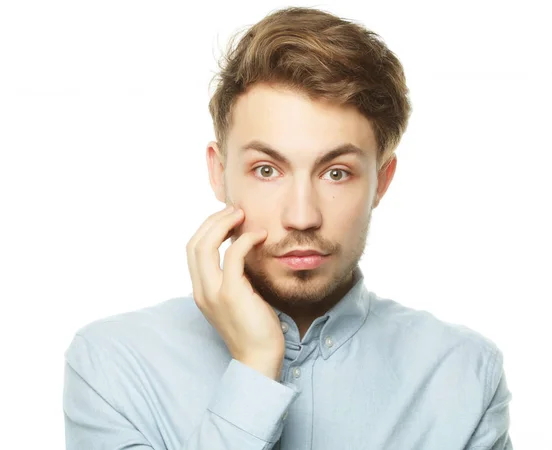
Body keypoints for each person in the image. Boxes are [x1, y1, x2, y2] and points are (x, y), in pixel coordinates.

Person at [63, 6, 512, 449]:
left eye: (336, 172)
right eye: (266, 170)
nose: (302, 217)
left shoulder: (464, 374)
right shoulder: (111, 364)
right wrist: (255, 366)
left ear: (382, 180)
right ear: (219, 173)